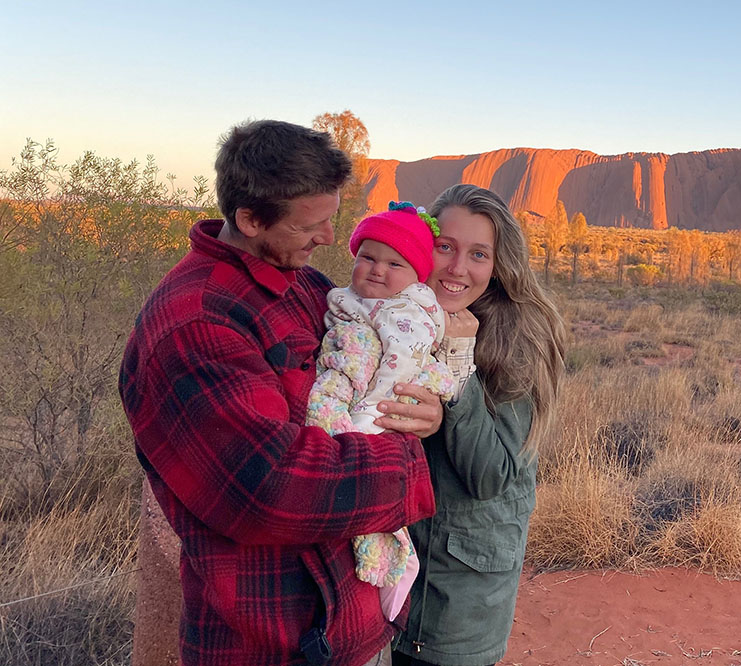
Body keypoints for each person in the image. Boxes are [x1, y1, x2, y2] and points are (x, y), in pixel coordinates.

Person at [120, 120, 443, 666]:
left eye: (332, 220)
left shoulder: (308, 286)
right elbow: (273, 486)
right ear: (249, 219)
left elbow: (377, 369)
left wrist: (422, 410)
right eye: (309, 226)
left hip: (352, 621)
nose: (327, 240)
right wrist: (407, 462)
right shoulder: (197, 326)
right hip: (272, 641)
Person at [392, 184, 567, 666]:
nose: (456, 268)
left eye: (478, 254)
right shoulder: (399, 316)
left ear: (498, 264)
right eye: (444, 247)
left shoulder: (518, 339)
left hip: (456, 599)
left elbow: (491, 474)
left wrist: (457, 373)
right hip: (388, 577)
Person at [305, 201, 468, 619]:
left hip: (383, 412)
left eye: (395, 263)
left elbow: (416, 360)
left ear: (416, 275)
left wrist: (428, 393)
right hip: (348, 387)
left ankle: (386, 555)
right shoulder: (343, 301)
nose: (377, 270)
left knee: (372, 494)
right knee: (333, 437)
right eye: (367, 258)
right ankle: (380, 551)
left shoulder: (417, 312)